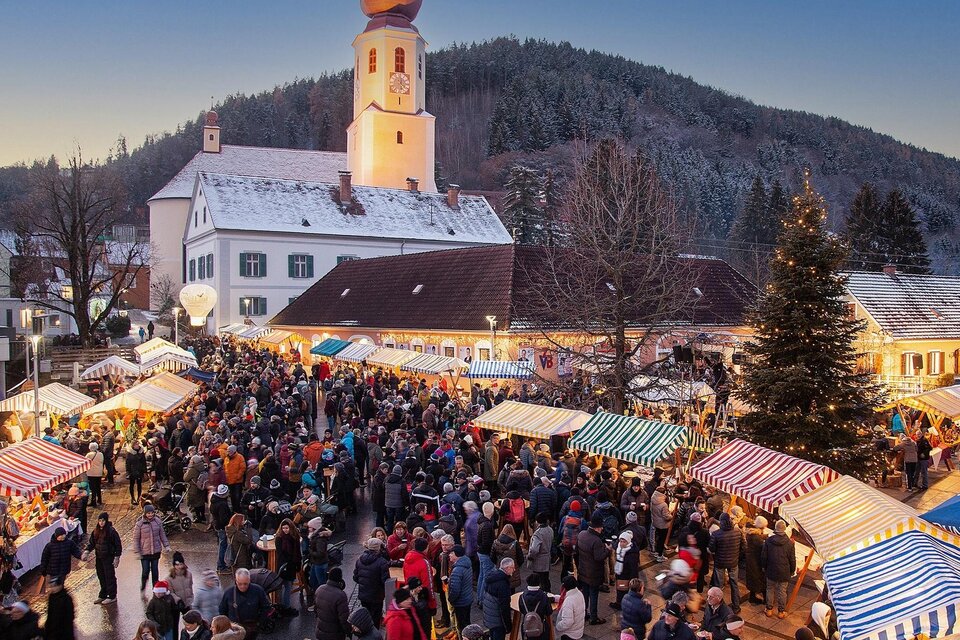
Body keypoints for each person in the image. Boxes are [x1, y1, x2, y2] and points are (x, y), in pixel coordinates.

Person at [576, 513, 611, 625]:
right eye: (601, 527)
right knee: (594, 594)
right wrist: (608, 550)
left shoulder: (582, 534)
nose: (602, 529)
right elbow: (599, 557)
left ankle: (584, 613)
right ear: (597, 527)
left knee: (585, 594)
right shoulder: (596, 541)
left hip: (583, 570)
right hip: (594, 574)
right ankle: (594, 617)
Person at [218, 568, 270, 640]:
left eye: (245, 584)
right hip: (234, 630)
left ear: (249, 580)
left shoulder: (258, 590)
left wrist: (259, 622)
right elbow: (222, 610)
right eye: (240, 584)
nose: (243, 586)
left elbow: (266, 607)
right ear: (236, 581)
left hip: (252, 628)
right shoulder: (228, 593)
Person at [83, 511, 122, 604]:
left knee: (109, 577)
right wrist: (86, 551)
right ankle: (103, 594)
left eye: (103, 520)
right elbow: (92, 543)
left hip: (108, 557)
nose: (101, 522)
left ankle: (112, 596)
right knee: (101, 576)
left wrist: (116, 557)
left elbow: (118, 545)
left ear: (106, 521)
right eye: (100, 520)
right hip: (99, 558)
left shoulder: (111, 531)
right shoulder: (96, 531)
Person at [709, 513, 743, 613]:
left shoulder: (716, 534)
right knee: (734, 584)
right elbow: (744, 546)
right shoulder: (738, 532)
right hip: (733, 562)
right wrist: (736, 554)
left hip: (720, 562)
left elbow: (712, 548)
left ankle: (718, 608)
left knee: (719, 586)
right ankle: (736, 606)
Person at [761, 520, 796, 619]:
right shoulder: (790, 543)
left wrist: (763, 566)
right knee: (782, 591)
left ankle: (769, 610)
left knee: (770, 589)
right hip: (784, 571)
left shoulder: (768, 541)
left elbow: (764, 556)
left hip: (771, 569)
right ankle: (781, 612)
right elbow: (792, 559)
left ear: (775, 528)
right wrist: (792, 570)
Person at [354, 537, 391, 628]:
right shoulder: (382, 562)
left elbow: (355, 577)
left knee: (366, 617)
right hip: (376, 596)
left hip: (363, 595)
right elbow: (385, 581)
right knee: (375, 618)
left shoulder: (359, 560)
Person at [134, 504, 171, 591]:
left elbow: (162, 535)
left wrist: (166, 545)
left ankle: (155, 589)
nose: (150, 515)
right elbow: (136, 539)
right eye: (148, 513)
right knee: (145, 571)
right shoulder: (140, 524)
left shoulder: (158, 522)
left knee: (155, 571)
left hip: (155, 551)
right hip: (145, 552)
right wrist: (137, 551)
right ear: (145, 513)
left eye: (152, 513)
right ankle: (143, 586)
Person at [481, 557, 515, 640]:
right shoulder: (503, 584)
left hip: (489, 616)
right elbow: (504, 607)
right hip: (497, 620)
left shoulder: (492, 577)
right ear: (507, 568)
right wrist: (508, 625)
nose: (514, 570)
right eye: (513, 568)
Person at [313, 566, 350, 640]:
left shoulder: (319, 589)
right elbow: (344, 618)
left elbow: (316, 610)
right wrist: (348, 631)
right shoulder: (340, 595)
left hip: (320, 631)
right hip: (335, 634)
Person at [274, 518, 301, 615]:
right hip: (284, 566)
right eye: (283, 528)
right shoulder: (279, 538)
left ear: (291, 528)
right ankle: (285, 607)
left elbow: (298, 552)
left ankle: (284, 606)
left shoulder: (295, 537)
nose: (285, 530)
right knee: (287, 586)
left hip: (292, 565)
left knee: (288, 586)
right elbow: (280, 554)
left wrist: (297, 564)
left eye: (287, 528)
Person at [447, 544, 474, 633]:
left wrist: (450, 599)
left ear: (456, 555)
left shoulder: (457, 570)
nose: (449, 555)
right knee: (467, 622)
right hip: (468, 598)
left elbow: (455, 590)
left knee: (462, 627)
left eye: (451, 553)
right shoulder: (467, 562)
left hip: (461, 602)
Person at [518, 574, 552, 640]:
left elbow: (521, 610)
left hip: (527, 627)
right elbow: (549, 612)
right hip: (541, 627)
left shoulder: (522, 597)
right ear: (539, 583)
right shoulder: (544, 596)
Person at [611, 530, 640, 610]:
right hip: (619, 573)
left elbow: (634, 568)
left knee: (623, 591)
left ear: (628, 542)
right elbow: (615, 544)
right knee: (620, 589)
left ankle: (621, 604)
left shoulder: (632, 553)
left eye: (624, 542)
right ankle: (620, 603)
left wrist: (633, 581)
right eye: (620, 541)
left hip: (626, 576)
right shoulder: (619, 548)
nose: (622, 543)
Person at [526, 513, 554, 592]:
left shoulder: (538, 533)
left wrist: (530, 556)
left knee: (538, 581)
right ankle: (547, 594)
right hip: (547, 559)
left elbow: (534, 549)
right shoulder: (550, 529)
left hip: (539, 560)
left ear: (537, 521)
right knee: (545, 579)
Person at [744, 516, 767, 605]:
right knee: (761, 580)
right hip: (756, 561)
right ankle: (766, 599)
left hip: (751, 560)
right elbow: (763, 547)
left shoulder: (751, 532)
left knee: (753, 579)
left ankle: (752, 597)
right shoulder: (756, 538)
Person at [554, 574, 585, 640]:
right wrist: (555, 598)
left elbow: (567, 622)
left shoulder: (569, 601)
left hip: (569, 634)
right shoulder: (579, 593)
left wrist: (558, 626)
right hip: (577, 631)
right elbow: (564, 598)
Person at [44, 575, 75, 640]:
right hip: (53, 629)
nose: (52, 589)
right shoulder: (51, 597)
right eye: (51, 586)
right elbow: (50, 613)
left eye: (54, 586)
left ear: (60, 586)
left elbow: (70, 615)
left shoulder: (66, 598)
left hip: (64, 630)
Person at [210, 485, 233, 574]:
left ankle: (221, 565)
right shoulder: (222, 504)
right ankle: (221, 566)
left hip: (217, 526)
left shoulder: (214, 500)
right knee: (223, 546)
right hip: (222, 527)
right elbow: (224, 519)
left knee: (221, 544)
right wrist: (230, 521)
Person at [650, 486, 673, 562]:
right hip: (663, 525)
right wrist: (671, 515)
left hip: (656, 522)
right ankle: (660, 556)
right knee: (662, 540)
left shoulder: (652, 500)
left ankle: (656, 552)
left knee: (658, 539)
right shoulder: (663, 504)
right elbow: (666, 517)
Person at [127, 441, 148, 506]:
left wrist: (145, 471)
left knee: (139, 484)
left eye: (138, 444)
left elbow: (144, 462)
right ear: (133, 445)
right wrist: (128, 472)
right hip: (132, 471)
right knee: (132, 484)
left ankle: (139, 497)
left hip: (139, 470)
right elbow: (127, 463)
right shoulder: (130, 453)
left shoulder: (141, 452)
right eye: (136, 444)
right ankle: (132, 497)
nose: (137, 445)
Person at [86, 442, 105, 508]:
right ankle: (99, 500)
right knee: (98, 486)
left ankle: (93, 501)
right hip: (99, 473)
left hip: (91, 473)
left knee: (93, 488)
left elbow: (85, 462)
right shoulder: (101, 454)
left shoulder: (89, 454)